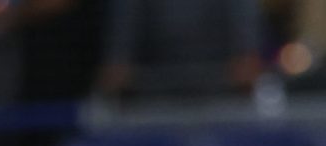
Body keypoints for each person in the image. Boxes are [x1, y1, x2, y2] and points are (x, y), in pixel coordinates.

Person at [97, 0, 264, 99]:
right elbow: (118, 65)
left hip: (220, 97)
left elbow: (246, 60)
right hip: (152, 100)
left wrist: (245, 56)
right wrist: (119, 63)